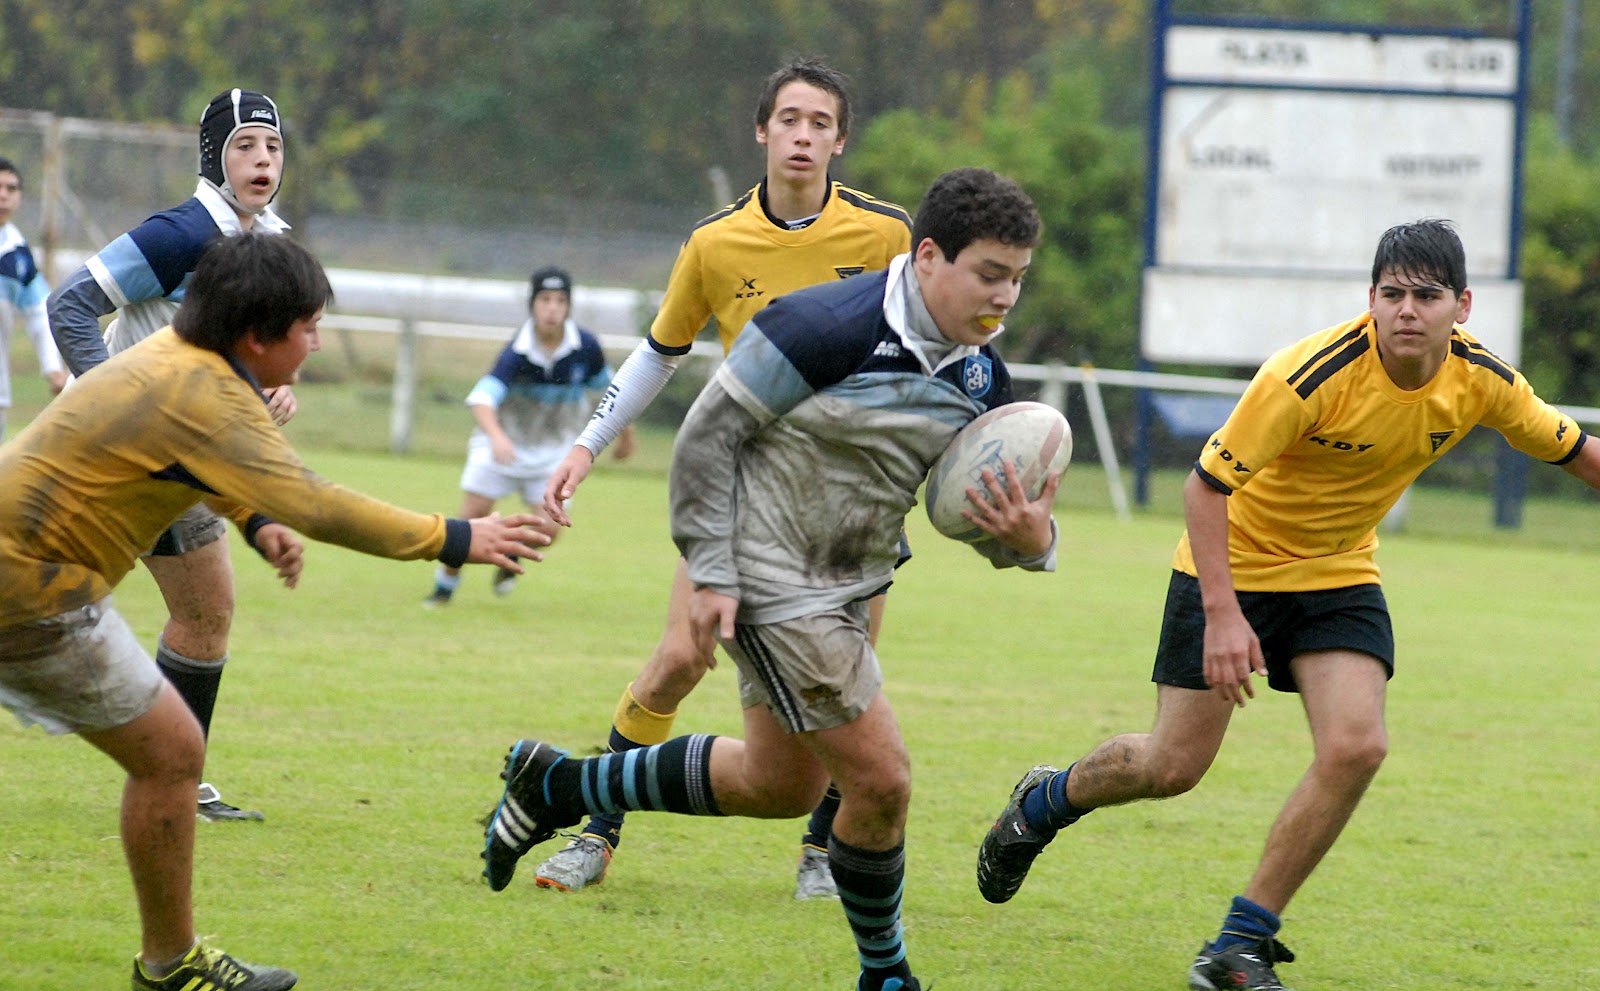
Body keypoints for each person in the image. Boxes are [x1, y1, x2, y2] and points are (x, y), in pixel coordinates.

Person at [975, 218, 1600, 991]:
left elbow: (1576, 451)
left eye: (1428, 295)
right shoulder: (1310, 374)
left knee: (1357, 745)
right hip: (1230, 562)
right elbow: (1204, 487)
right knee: (1171, 766)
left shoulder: (1484, 381)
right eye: (1393, 293)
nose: (1409, 309)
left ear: (1462, 305)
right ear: (1370, 299)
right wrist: (1226, 614)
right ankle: (1046, 798)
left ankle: (1238, 943)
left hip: (1337, 572)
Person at [482, 167, 1056, 991]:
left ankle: (560, 782)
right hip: (768, 573)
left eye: (1018, 279)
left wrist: (1033, 539)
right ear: (929, 256)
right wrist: (714, 573)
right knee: (882, 778)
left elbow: (979, 520)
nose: (1005, 298)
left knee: (781, 784)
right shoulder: (823, 326)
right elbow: (705, 443)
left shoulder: (977, 376)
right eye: (990, 275)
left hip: (850, 581)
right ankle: (886, 976)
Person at [0, 231, 550, 991]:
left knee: (169, 752)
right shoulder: (212, 392)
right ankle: (171, 965)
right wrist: (455, 536)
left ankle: (171, 962)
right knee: (171, 755)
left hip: (21, 571)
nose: (317, 343)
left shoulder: (169, 357)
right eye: (309, 328)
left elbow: (186, 457)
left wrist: (255, 523)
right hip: (31, 588)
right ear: (258, 337)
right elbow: (321, 505)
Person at [533, 56, 914, 899]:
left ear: (841, 140)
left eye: (820, 122)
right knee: (677, 657)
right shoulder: (714, 242)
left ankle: (822, 850)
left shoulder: (887, 237)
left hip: (856, 502)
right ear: (762, 132)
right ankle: (596, 830)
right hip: (744, 494)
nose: (804, 135)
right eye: (790, 120)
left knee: (852, 687)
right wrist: (587, 445)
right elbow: (658, 356)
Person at [48, 89, 296, 822]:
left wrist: (274, 392)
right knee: (196, 613)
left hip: (179, 459)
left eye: (272, 147)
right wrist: (125, 402)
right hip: (121, 455)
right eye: (245, 145)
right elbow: (71, 304)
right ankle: (173, 779)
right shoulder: (180, 232)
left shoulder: (268, 241)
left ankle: (174, 777)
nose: (261, 160)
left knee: (197, 613)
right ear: (214, 156)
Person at [422, 266, 633, 606]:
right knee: (467, 523)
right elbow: (481, 400)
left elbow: (614, 393)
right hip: (502, 448)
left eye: (560, 300)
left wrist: (627, 435)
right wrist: (497, 438)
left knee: (549, 531)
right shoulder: (517, 352)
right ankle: (444, 588)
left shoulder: (586, 347)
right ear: (532, 304)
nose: (552, 307)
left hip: (553, 453)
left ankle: (511, 554)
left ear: (568, 306)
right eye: (545, 299)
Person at [0, 156, 67, 438]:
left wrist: (52, 368)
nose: (3, 195)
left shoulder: (18, 256)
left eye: (11, 189)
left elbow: (40, 311)